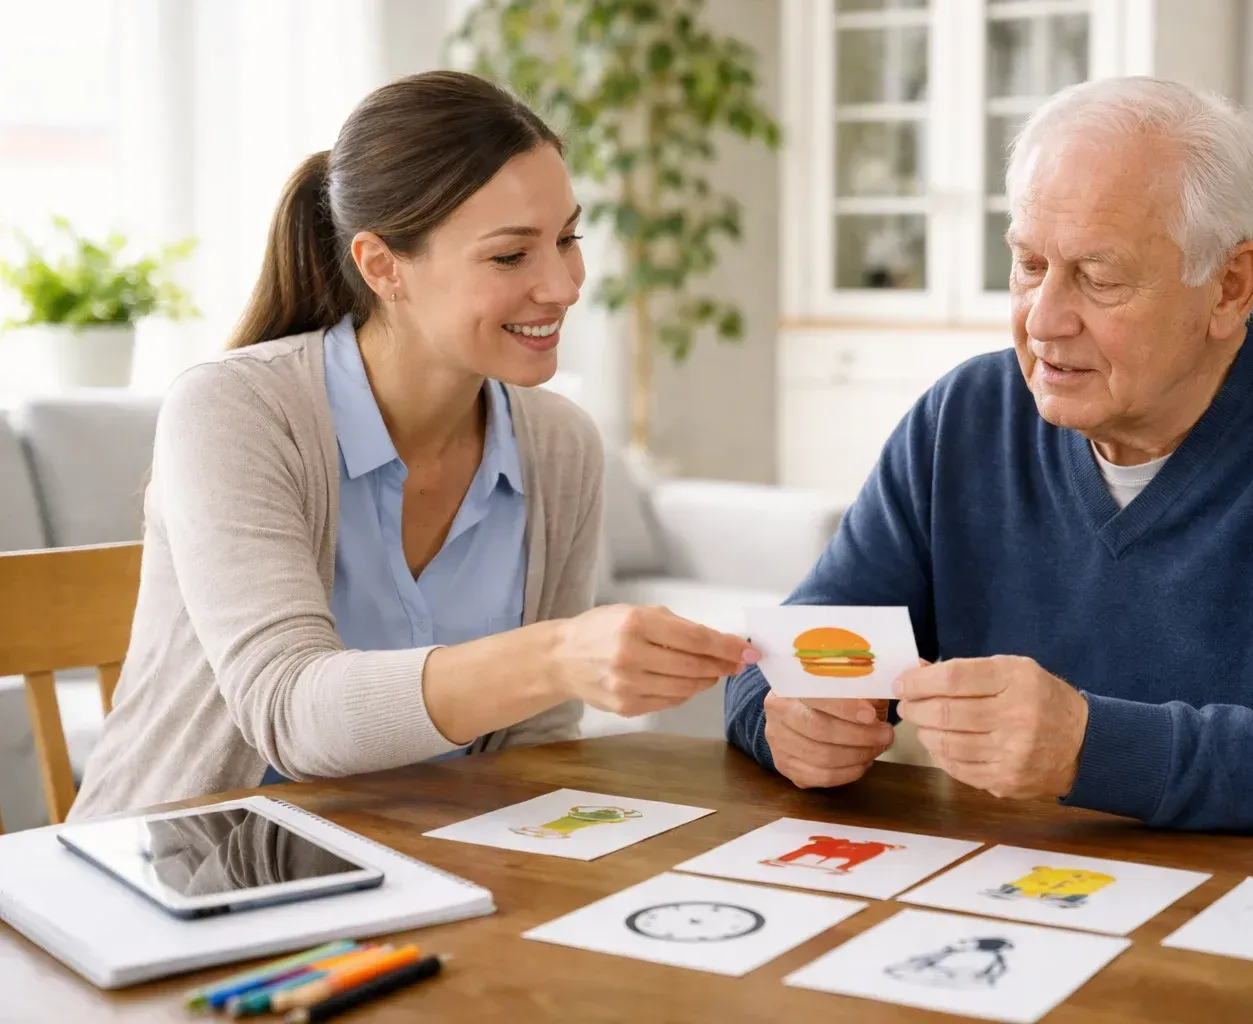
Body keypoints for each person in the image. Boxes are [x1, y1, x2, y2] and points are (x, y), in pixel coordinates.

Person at [724, 77, 1253, 836]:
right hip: (1010, 911)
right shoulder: (964, 417)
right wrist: (781, 719)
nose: (1043, 320)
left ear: (1230, 286)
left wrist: (1094, 748)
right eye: (1029, 265)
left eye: (1098, 279)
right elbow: (784, 657)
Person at [72, 71, 757, 819]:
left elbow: (534, 746)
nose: (562, 286)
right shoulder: (235, 410)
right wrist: (559, 657)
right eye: (510, 256)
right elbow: (290, 711)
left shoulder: (560, 444)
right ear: (381, 266)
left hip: (427, 866)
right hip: (182, 872)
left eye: (567, 239)